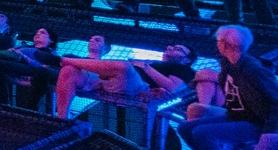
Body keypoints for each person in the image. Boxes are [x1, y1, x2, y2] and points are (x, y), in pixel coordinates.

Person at [180, 24, 278, 150]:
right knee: (185, 128)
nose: (217, 44)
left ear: (225, 44)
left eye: (218, 41)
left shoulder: (253, 69)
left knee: (201, 133)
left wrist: (267, 133)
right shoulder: (228, 65)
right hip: (236, 116)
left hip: (257, 123)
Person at [50, 36, 194, 119]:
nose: (172, 49)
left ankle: (62, 60)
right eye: (172, 47)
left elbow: (172, 87)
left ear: (187, 60)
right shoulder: (155, 63)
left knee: (124, 66)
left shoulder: (184, 69)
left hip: (138, 88)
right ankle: (62, 120)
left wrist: (144, 66)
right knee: (69, 70)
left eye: (178, 49)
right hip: (106, 81)